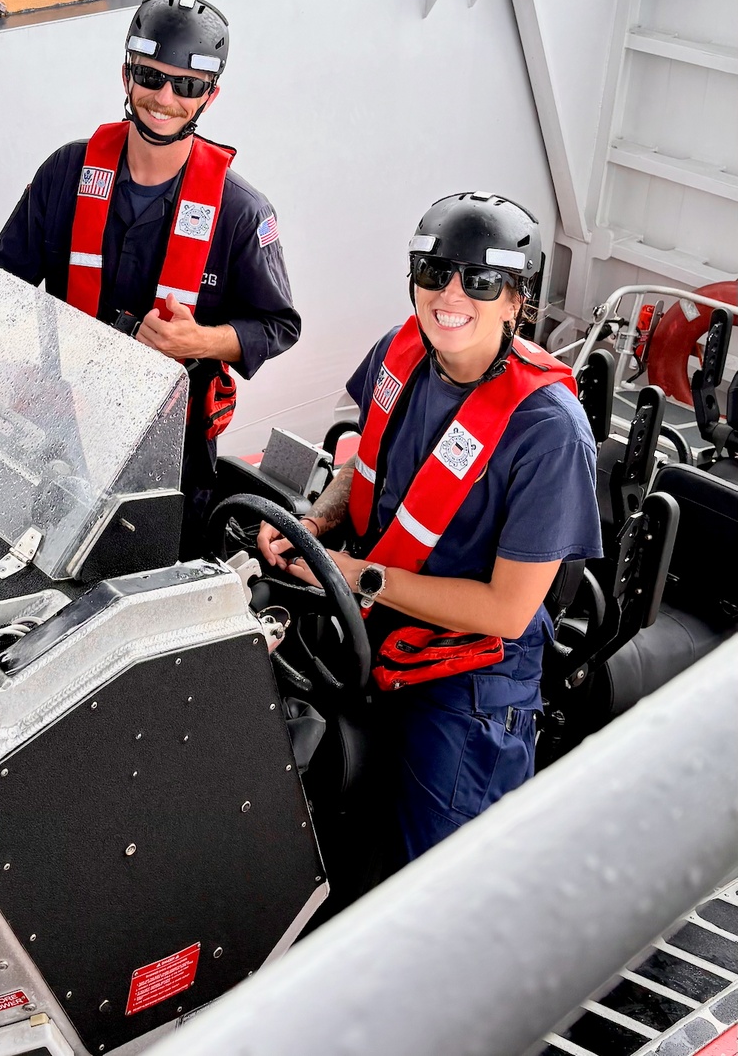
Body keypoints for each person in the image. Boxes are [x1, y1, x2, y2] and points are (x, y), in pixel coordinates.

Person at [257, 191, 602, 863]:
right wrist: (318, 519)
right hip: (371, 632)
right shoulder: (401, 351)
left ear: (515, 301)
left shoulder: (550, 431)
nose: (452, 294)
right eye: (436, 273)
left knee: (438, 885)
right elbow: (372, 460)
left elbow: (507, 610)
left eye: (481, 280)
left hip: (464, 686)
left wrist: (358, 575)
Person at [0, 0, 300, 544]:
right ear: (126, 74)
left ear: (210, 95)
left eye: (188, 85)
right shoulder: (66, 172)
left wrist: (197, 340)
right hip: (56, 438)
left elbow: (277, 326)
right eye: (152, 77)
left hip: (170, 458)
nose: (165, 97)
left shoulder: (241, 213)